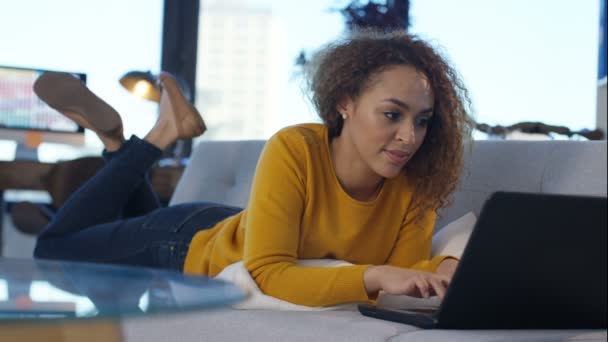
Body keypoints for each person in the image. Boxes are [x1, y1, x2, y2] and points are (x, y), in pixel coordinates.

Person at [33, 29, 473, 308]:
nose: (409, 138)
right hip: (188, 244)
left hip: (238, 227)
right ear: (345, 103)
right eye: (392, 115)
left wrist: (448, 265)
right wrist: (373, 276)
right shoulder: (297, 148)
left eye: (422, 120)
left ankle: (115, 143)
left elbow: (402, 274)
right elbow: (269, 273)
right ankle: (157, 137)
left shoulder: (417, 178)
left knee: (115, 273)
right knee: (52, 250)